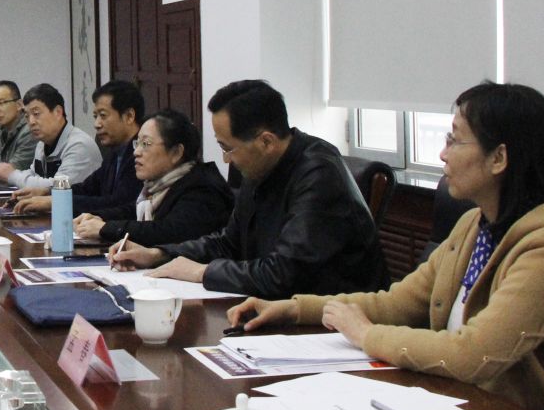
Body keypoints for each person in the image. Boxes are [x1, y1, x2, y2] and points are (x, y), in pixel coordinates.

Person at [227, 82, 544, 410]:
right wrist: (295, 309)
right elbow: (396, 303)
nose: (442, 153)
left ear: (499, 158)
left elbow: (473, 353)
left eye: (454, 140)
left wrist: (367, 336)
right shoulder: (474, 226)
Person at [111, 79, 387, 297]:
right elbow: (228, 243)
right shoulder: (260, 166)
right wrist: (159, 254)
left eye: (227, 148)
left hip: (332, 321)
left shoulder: (319, 175)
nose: (225, 159)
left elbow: (284, 274)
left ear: (266, 141)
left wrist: (202, 273)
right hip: (279, 309)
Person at [68, 108, 234, 249]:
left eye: (146, 144)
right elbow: (131, 211)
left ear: (176, 152)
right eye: (137, 143)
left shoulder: (203, 188)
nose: (136, 152)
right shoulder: (158, 187)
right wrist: (96, 217)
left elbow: (167, 232)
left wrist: (106, 228)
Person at [13, 80, 143, 216]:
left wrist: (57, 201)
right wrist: (48, 192)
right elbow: (87, 188)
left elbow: (118, 203)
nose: (97, 124)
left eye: (103, 116)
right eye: (95, 116)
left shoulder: (141, 155)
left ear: (129, 116)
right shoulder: (115, 153)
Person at [0, 83, 99, 189]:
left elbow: (59, 188)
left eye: (36, 114)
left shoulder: (79, 145)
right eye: (27, 116)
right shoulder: (42, 145)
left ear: (58, 112)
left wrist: (12, 175)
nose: (31, 122)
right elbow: (34, 175)